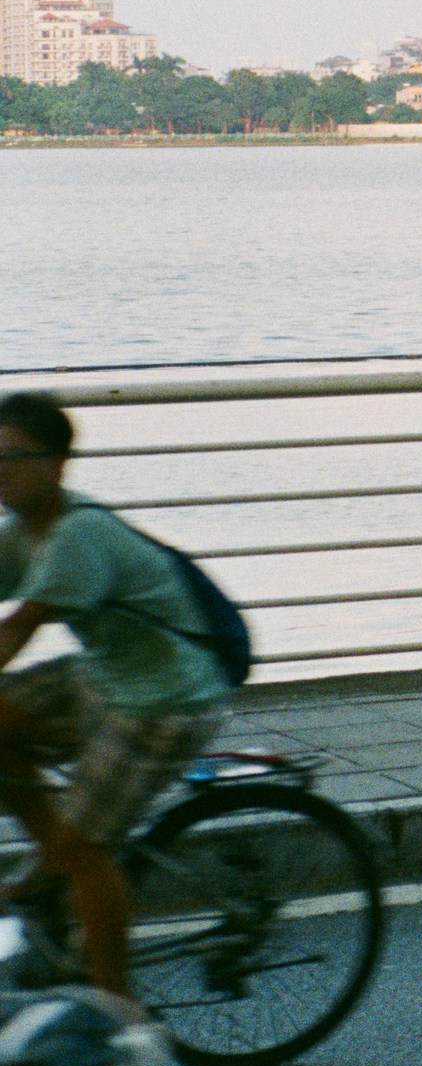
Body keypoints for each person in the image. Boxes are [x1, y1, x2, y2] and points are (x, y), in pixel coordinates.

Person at [0, 392, 230, 1005]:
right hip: (107, 676)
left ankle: (117, 1014)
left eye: (14, 457)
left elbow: (16, 630)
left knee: (85, 852)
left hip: (166, 703)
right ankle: (52, 864)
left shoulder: (78, 534)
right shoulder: (20, 530)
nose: (1, 470)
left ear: (57, 464)